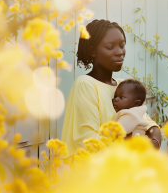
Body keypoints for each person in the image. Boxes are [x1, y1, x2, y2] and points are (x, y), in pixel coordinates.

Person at [61, 19, 161, 159]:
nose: (120, 52)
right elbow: (89, 141)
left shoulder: (124, 86)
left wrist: (155, 142)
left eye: (122, 46)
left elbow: (148, 123)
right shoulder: (85, 85)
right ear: (92, 51)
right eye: (110, 47)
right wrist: (136, 143)